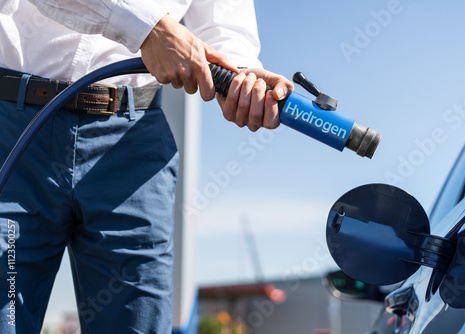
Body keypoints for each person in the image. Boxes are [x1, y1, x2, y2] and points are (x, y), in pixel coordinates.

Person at [0, 0, 294, 333]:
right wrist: (147, 27)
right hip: (14, 126)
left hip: (133, 140)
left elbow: (222, 18)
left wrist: (237, 71)